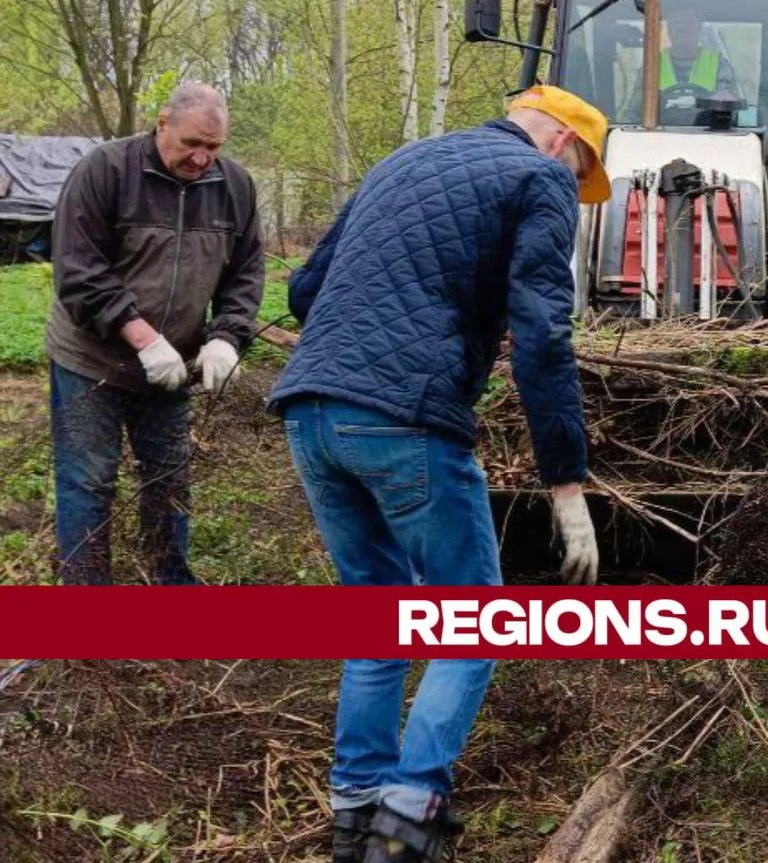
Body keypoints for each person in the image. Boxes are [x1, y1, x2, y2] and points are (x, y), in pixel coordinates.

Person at [269, 85, 609, 863]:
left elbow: (303, 291)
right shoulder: (540, 178)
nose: (577, 183)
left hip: (309, 413)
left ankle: (354, 813)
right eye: (585, 167)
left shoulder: (406, 157)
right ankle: (408, 814)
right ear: (564, 143)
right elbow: (543, 338)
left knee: (378, 615)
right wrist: (567, 483)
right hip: (402, 420)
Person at [45, 82, 263, 585]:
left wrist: (227, 336)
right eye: (192, 144)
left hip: (173, 369)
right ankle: (86, 613)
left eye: (214, 147)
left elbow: (245, 275)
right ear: (162, 123)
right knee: (89, 480)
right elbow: (79, 271)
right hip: (90, 360)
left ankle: (170, 589)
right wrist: (142, 336)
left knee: (168, 479)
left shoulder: (235, 188)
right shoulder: (107, 171)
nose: (202, 158)